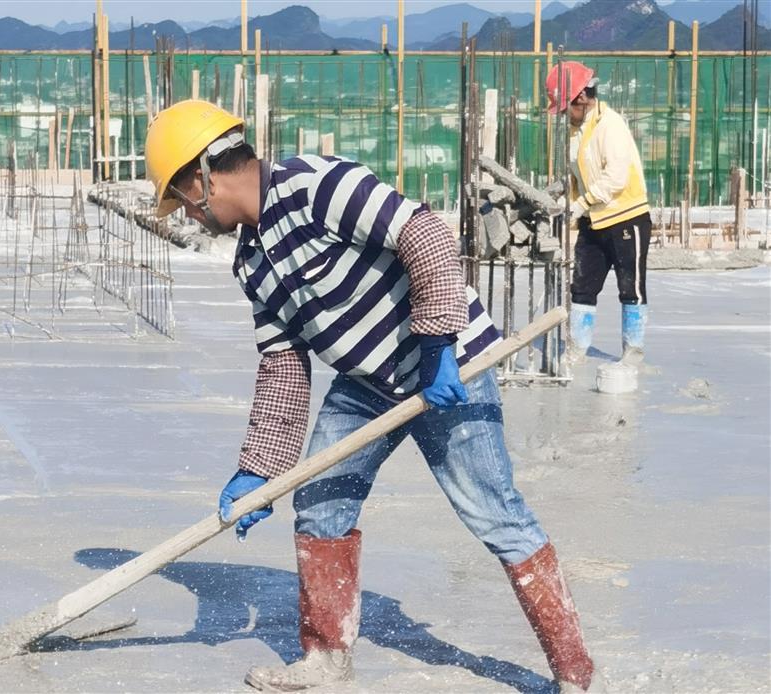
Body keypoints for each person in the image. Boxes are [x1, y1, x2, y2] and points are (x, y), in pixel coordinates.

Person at [144, 100, 603, 693]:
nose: (188, 214)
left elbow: (425, 235)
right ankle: (326, 658)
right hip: (367, 386)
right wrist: (259, 468)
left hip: (451, 365)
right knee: (320, 506)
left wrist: (437, 343)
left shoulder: (317, 185)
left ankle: (576, 674)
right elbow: (284, 364)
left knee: (495, 513)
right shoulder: (252, 262)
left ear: (203, 178)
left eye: (182, 199)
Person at [546, 60, 651, 365]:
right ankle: (577, 349)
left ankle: (633, 350)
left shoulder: (610, 125)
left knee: (630, 286)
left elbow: (615, 177)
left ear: (581, 97)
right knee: (582, 285)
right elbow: (579, 173)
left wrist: (583, 202)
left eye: (566, 108)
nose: (564, 115)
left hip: (626, 217)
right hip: (593, 219)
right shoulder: (577, 130)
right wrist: (564, 195)